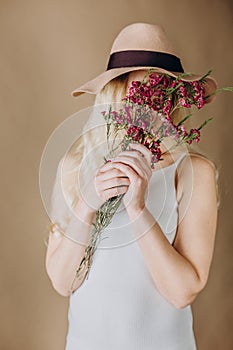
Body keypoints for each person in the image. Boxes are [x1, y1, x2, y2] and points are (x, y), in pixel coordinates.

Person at [45, 23, 219, 349]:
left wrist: (138, 209)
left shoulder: (193, 171)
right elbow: (62, 281)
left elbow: (183, 291)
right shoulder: (75, 165)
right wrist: (88, 202)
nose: (148, 108)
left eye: (160, 94)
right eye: (138, 93)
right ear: (114, 93)